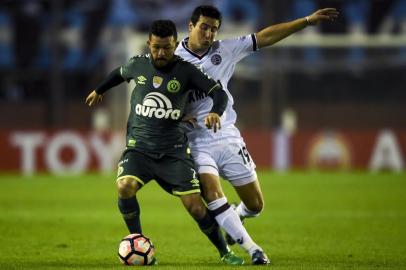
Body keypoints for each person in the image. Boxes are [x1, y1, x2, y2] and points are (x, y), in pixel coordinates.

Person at [175, 5, 339, 264]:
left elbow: (265, 36)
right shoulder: (172, 58)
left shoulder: (224, 50)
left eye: (213, 29)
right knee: (212, 192)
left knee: (255, 205)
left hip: (227, 135)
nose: (208, 34)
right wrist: (177, 116)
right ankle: (253, 250)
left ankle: (238, 217)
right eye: (204, 27)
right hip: (195, 140)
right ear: (190, 26)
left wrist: (306, 21)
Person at [85, 20, 244, 265]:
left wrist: (216, 111)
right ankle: (137, 239)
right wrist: (100, 90)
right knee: (124, 186)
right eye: (156, 48)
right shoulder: (137, 64)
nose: (161, 53)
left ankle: (225, 252)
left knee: (195, 206)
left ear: (174, 44)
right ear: (149, 44)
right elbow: (118, 73)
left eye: (167, 48)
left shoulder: (186, 70)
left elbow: (218, 92)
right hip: (140, 150)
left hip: (174, 153)